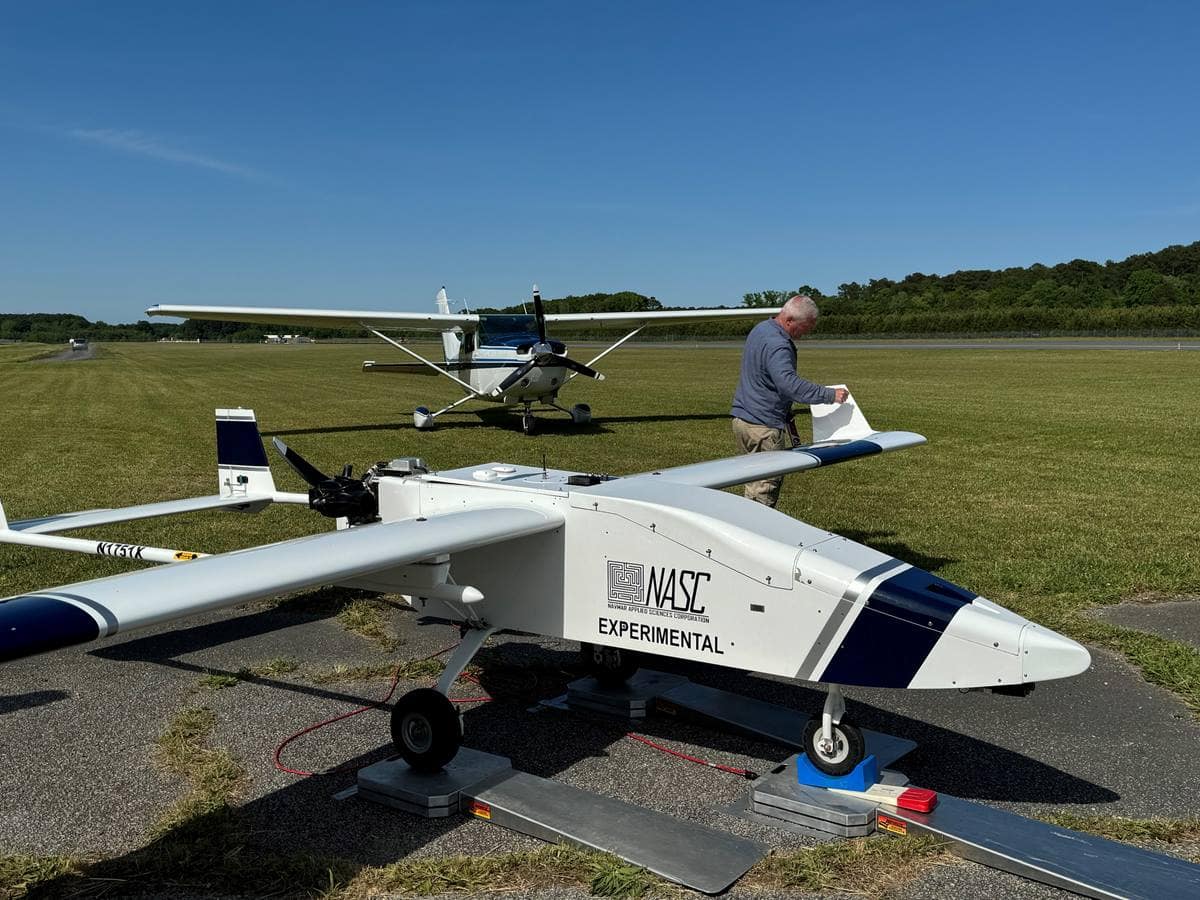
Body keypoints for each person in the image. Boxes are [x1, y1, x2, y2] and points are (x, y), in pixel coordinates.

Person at [731, 295, 849, 507]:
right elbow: (790, 385)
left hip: (742, 420)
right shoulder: (779, 344)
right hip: (763, 427)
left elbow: (766, 378)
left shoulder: (761, 329)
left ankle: (746, 525)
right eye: (804, 328)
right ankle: (757, 535)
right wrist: (830, 395)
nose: (804, 334)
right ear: (789, 321)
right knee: (764, 492)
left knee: (753, 483)